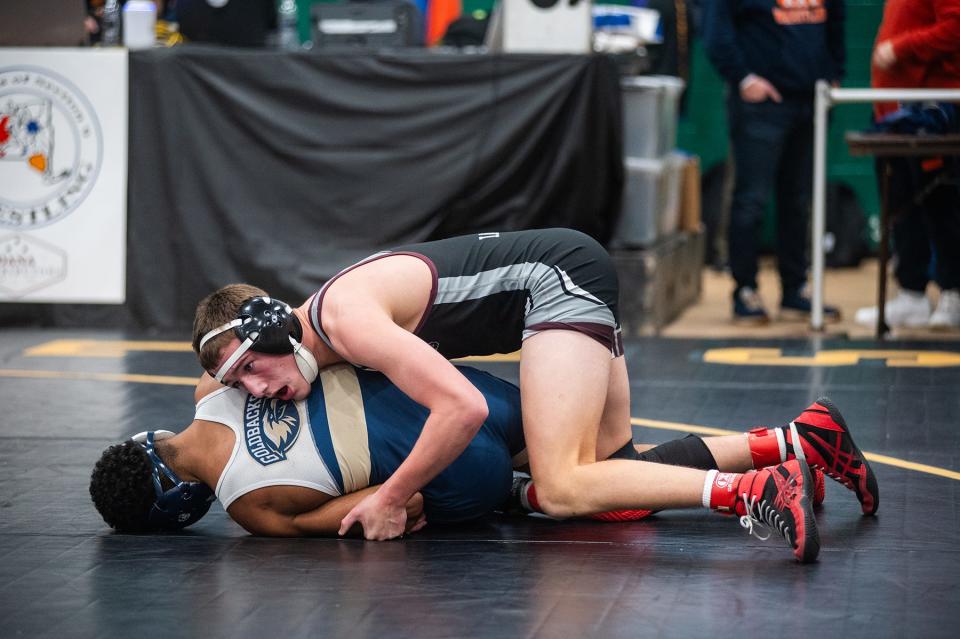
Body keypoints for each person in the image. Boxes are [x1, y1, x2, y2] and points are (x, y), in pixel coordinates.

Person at [191, 230, 876, 560]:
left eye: (253, 368)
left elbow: (464, 409)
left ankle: (757, 492)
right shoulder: (304, 334)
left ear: (275, 326)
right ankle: (800, 438)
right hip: (562, 275)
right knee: (615, 477)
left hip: (557, 282)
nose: (258, 391)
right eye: (237, 384)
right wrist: (220, 375)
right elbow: (212, 371)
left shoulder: (346, 319)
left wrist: (391, 494)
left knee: (563, 483)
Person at [92, 359, 860, 562]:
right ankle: (792, 439)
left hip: (455, 470)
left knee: (572, 495)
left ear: (171, 510)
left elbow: (389, 508)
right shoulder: (210, 380)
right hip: (457, 390)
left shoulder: (250, 509)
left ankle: (762, 472)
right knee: (601, 458)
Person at [703, 0, 846, 323]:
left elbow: (836, 19)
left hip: (811, 101)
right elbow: (715, 31)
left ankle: (795, 291)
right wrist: (743, 78)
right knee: (751, 201)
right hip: (760, 107)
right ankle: (745, 290)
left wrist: (835, 73)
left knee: (798, 201)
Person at [853, 0, 960, 330]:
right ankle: (912, 295)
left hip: (930, 111)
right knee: (901, 203)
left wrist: (900, 48)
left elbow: (955, 28)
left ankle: (953, 293)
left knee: (941, 203)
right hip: (894, 111)